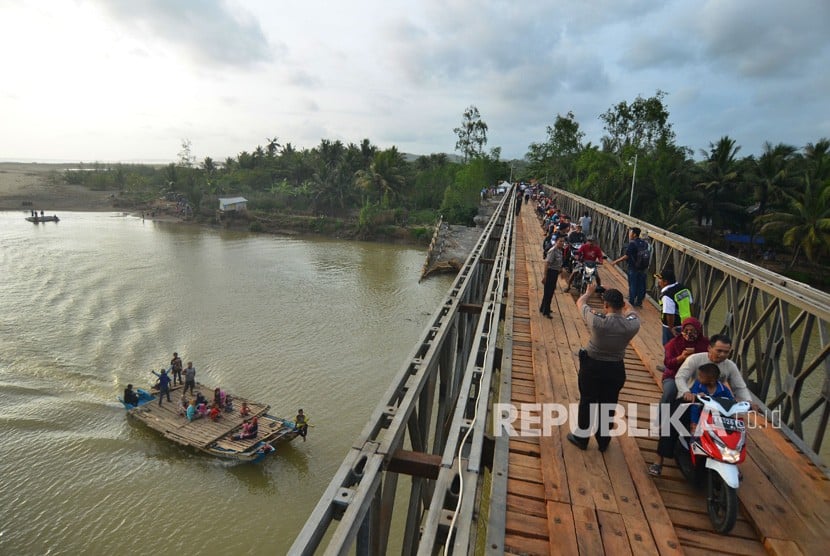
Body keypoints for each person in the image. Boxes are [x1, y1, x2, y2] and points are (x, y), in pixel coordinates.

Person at [649, 334, 757, 476]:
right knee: (674, 422)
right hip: (692, 400)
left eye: (726, 352)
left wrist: (748, 401)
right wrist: (687, 392)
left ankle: (730, 459)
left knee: (732, 427)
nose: (722, 355)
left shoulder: (730, 366)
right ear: (709, 348)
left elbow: (739, 387)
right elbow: (681, 377)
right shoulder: (695, 359)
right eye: (719, 351)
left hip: (716, 404)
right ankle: (659, 460)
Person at [567, 285, 641, 452]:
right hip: (615, 368)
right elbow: (633, 312)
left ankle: (582, 437)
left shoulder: (598, 321)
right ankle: (603, 440)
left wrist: (588, 292)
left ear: (605, 305)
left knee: (587, 400)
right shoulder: (632, 325)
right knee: (608, 403)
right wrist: (625, 301)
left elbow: (580, 302)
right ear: (622, 305)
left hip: (593, 365)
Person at [687, 363, 733, 433]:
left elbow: (731, 401)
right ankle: (694, 424)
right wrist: (697, 395)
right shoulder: (698, 385)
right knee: (695, 406)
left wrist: (723, 401)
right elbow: (693, 393)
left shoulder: (723, 389)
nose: (698, 378)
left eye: (701, 376)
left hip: (717, 416)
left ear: (712, 380)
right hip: (700, 414)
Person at [610, 227, 649, 307]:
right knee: (641, 285)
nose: (629, 234)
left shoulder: (632, 243)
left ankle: (631, 302)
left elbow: (626, 256)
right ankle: (639, 302)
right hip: (643, 268)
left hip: (633, 267)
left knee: (633, 285)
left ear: (634, 234)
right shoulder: (645, 243)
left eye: (630, 232)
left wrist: (615, 261)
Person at [656, 269, 693, 345]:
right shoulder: (684, 289)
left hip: (674, 325)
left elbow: (669, 314)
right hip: (686, 323)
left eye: (660, 279)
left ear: (665, 282)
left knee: (669, 346)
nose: (658, 281)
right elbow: (691, 304)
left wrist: (671, 328)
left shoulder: (667, 295)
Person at [539, 236, 565, 318]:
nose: (562, 243)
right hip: (550, 272)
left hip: (555, 273)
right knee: (548, 292)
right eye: (560, 241)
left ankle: (543, 307)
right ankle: (546, 311)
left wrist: (560, 271)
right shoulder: (553, 251)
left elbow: (559, 263)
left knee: (550, 291)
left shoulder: (560, 251)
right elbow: (547, 263)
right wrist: (545, 276)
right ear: (556, 241)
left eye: (563, 242)